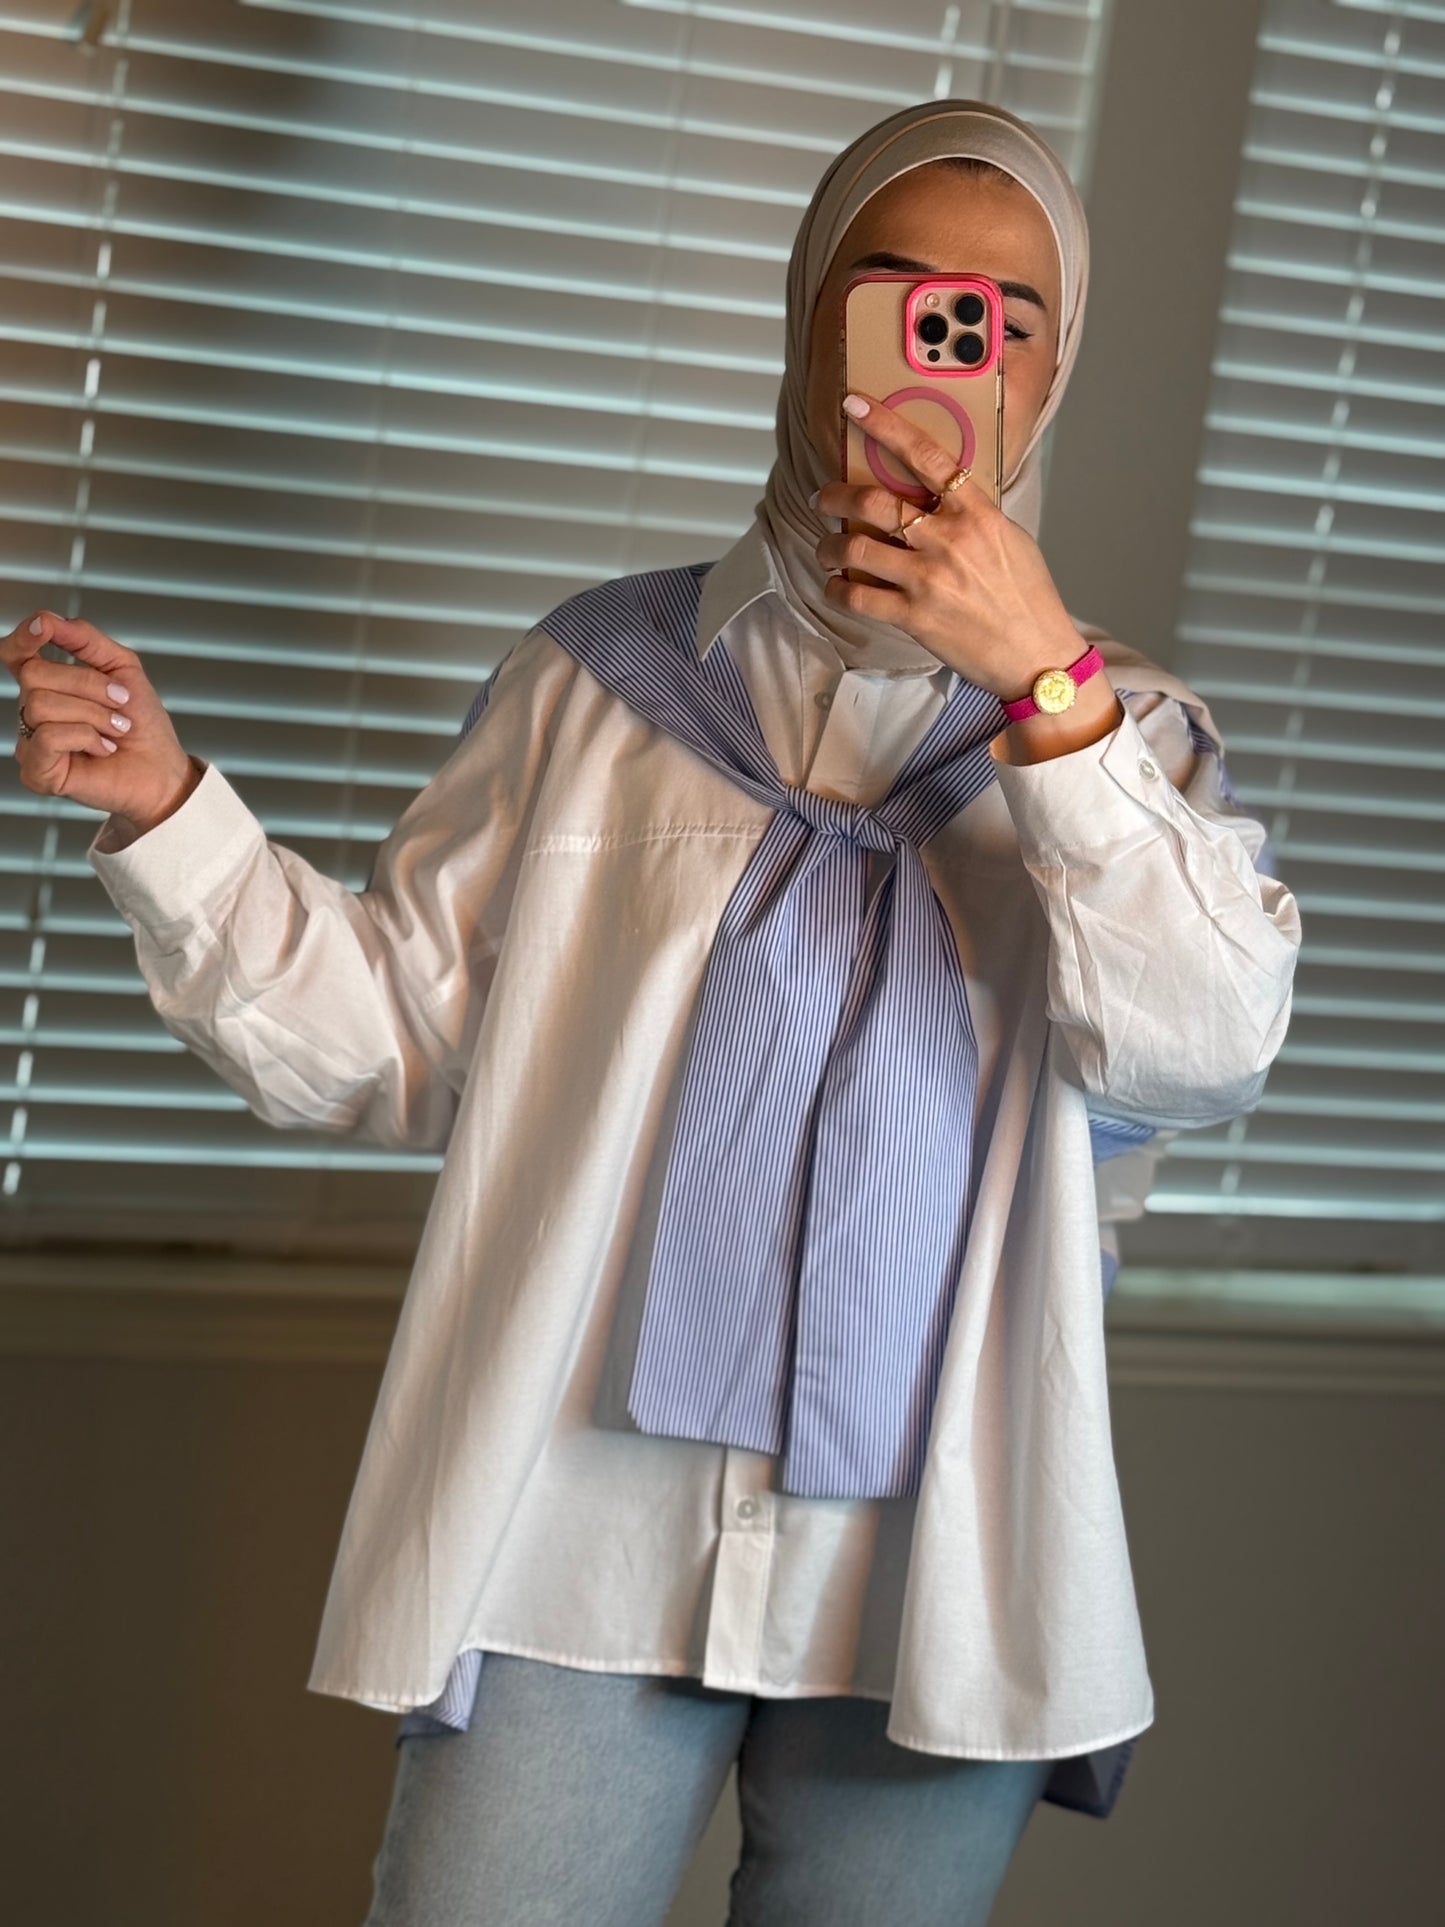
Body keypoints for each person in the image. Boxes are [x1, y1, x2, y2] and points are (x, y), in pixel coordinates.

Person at [5, 99, 1301, 1926]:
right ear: (809, 317)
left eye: (1004, 313)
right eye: (899, 289)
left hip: (936, 1567)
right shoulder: (594, 688)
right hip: (573, 1540)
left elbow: (1202, 1045)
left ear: (1052, 366)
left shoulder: (1126, 739)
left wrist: (1045, 687)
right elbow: (390, 1041)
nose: (952, 341)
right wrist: (168, 814)